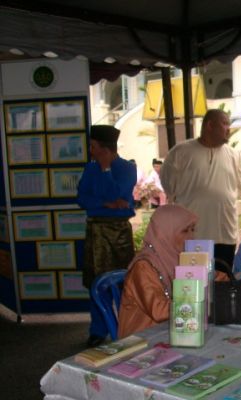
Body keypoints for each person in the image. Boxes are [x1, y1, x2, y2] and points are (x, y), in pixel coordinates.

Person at [161, 109, 241, 272]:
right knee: (192, 280)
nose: (228, 128)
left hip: (225, 235)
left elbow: (239, 188)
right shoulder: (181, 152)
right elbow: (169, 185)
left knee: (222, 279)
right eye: (224, 123)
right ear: (210, 125)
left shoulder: (234, 155)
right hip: (193, 235)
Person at [77, 125, 137, 347]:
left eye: (93, 147)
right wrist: (106, 204)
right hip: (96, 231)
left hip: (119, 231)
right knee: (97, 282)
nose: (90, 151)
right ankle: (98, 330)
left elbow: (117, 194)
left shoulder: (127, 168)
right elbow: (82, 199)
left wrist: (105, 170)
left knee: (122, 282)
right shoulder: (89, 168)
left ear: (105, 149)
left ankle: (126, 327)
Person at [118, 204, 198, 338]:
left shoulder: (177, 258)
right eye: (185, 231)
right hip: (143, 338)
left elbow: (216, 278)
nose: (192, 237)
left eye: (193, 229)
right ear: (164, 233)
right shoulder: (143, 267)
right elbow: (158, 310)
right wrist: (200, 300)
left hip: (174, 329)